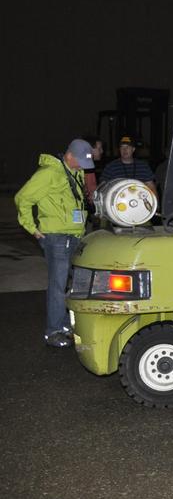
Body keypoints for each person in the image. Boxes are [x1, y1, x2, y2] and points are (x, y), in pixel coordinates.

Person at [15, 138, 95, 347]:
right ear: (69, 155)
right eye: (80, 162)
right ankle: (53, 331)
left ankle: (64, 324)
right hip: (57, 237)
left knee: (69, 283)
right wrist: (31, 228)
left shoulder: (74, 171)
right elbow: (22, 198)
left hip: (73, 234)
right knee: (58, 285)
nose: (82, 168)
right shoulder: (48, 173)